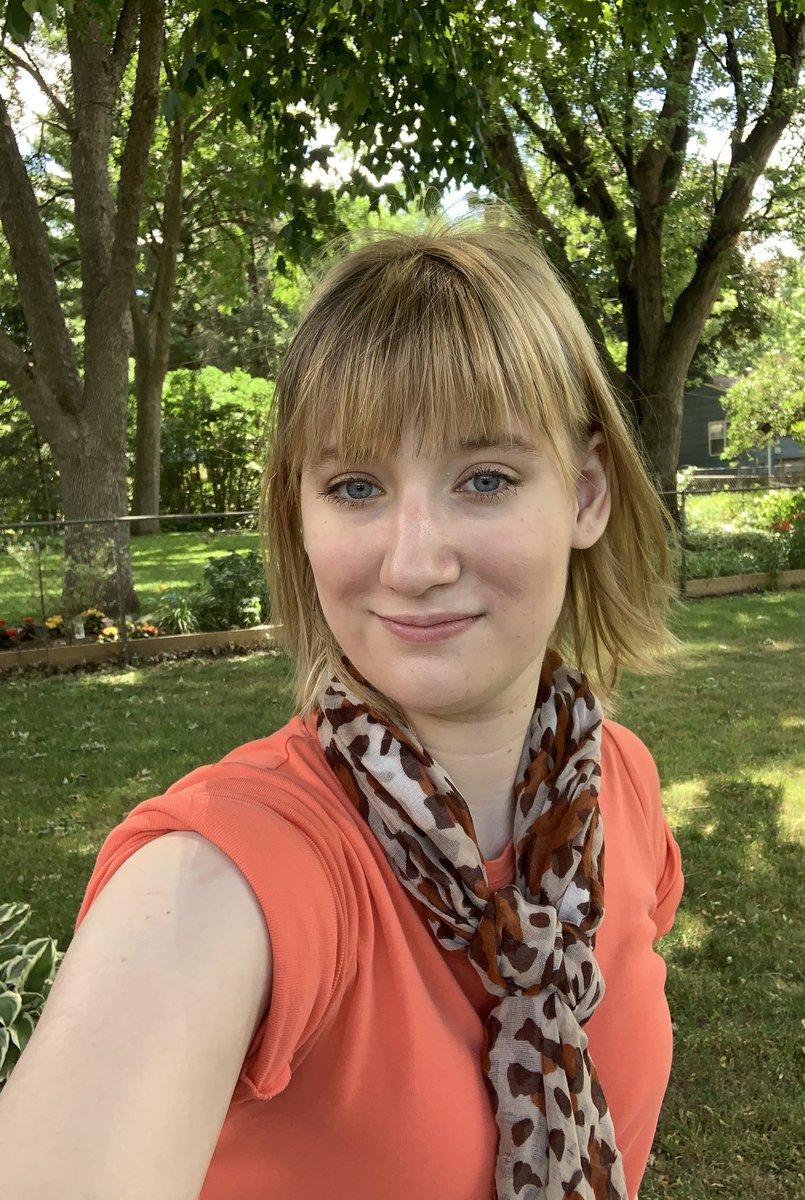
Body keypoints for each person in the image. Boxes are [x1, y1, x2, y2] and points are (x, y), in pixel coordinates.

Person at [0, 212, 683, 1200]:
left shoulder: (622, 787)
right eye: (357, 487)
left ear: (585, 495)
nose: (414, 562)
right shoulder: (226, 880)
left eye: (485, 479)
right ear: (301, 515)